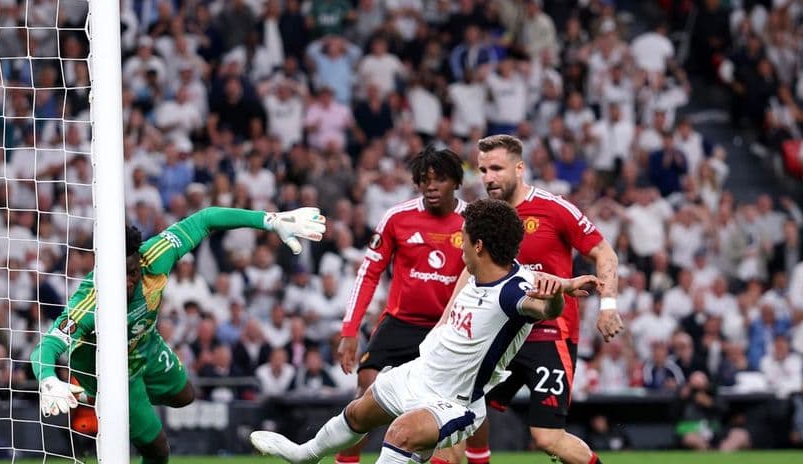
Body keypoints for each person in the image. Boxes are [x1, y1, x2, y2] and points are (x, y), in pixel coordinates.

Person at [250, 198, 602, 464]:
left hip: (453, 402)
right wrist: (565, 283)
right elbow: (535, 279)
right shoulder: (491, 269)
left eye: (464, 238)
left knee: (400, 433)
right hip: (418, 375)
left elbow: (543, 309)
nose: (459, 244)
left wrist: (557, 298)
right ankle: (304, 455)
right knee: (357, 413)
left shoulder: (512, 292)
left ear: (479, 245)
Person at [29, 206, 326, 464]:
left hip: (145, 345)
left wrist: (269, 220)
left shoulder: (156, 254)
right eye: (121, 274)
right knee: (159, 450)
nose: (129, 281)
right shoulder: (88, 301)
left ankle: (112, 405)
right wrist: (47, 379)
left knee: (186, 396)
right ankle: (105, 401)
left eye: (133, 272)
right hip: (109, 371)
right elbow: (47, 345)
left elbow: (206, 219)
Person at [440, 134, 624, 464]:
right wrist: (446, 321)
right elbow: (470, 270)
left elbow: (604, 252)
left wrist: (607, 306)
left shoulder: (554, 208)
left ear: (519, 168)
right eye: (483, 170)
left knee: (547, 438)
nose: (488, 177)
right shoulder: (484, 217)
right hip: (500, 334)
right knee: (454, 412)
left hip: (549, 335)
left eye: (497, 168)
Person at [335, 146, 466, 464]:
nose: (431, 187)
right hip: (400, 323)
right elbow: (368, 273)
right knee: (365, 392)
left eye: (439, 179)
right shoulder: (397, 217)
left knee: (446, 413)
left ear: (456, 182)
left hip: (447, 329)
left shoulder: (473, 220)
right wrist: (350, 330)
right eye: (424, 180)